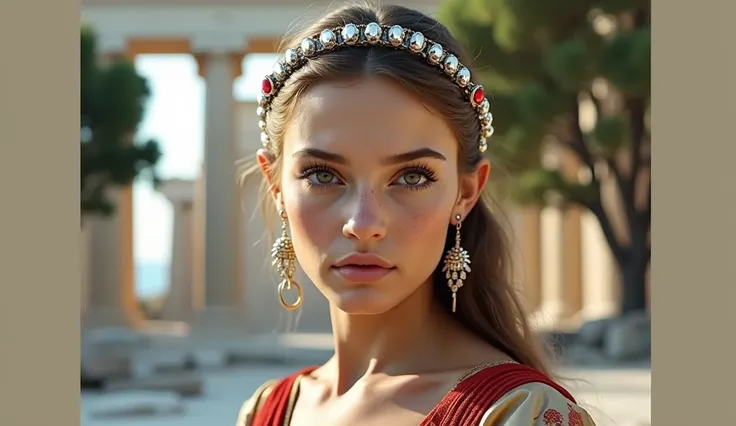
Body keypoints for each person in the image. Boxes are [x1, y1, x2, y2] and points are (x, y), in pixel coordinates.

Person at [237, 2, 598, 425]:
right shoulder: (268, 410)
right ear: (276, 185)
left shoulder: (522, 414)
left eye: (411, 177)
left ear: (466, 192)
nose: (364, 224)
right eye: (322, 175)